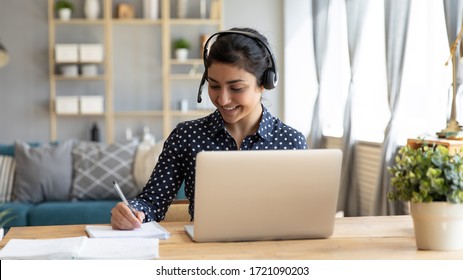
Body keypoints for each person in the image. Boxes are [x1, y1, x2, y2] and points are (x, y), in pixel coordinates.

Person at [111, 27, 308, 230]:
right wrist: (131, 211)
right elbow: (152, 202)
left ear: (264, 83)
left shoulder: (291, 141)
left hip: (272, 252)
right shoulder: (186, 135)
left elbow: (303, 213)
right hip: (206, 253)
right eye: (214, 86)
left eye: (236, 88)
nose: (222, 99)